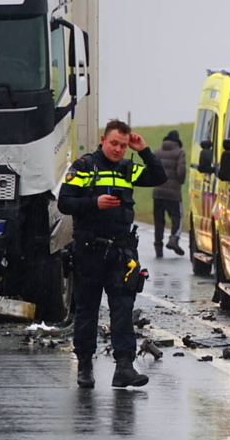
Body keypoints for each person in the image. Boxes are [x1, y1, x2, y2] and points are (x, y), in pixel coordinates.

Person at [58, 119, 168, 389]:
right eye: (114, 143)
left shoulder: (128, 168)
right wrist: (94, 202)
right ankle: (85, 367)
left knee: (122, 310)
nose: (118, 149)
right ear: (103, 140)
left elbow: (159, 177)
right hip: (89, 250)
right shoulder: (84, 167)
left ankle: (125, 368)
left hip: (121, 252)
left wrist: (143, 150)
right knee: (87, 311)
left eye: (123, 145)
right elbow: (64, 202)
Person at [152, 129, 187, 257]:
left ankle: (158, 246)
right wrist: (180, 181)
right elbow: (181, 171)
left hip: (158, 192)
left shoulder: (157, 152)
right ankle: (173, 239)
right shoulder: (180, 153)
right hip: (173, 193)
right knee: (177, 218)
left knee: (159, 221)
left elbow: (152, 169)